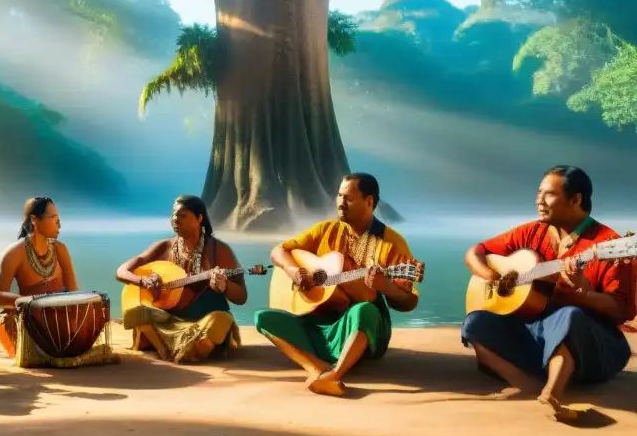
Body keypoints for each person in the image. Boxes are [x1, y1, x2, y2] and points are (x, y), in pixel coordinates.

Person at [461, 165, 636, 422]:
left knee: (569, 316)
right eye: (538, 193)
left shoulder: (608, 244)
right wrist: (493, 277)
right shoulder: (531, 232)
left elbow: (621, 310)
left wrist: (579, 293)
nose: (538, 201)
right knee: (475, 321)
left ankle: (552, 391)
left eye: (549, 194)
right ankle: (521, 382)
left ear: (575, 199)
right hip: (537, 339)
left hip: (594, 349)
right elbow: (475, 252)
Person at [253, 173, 420, 396]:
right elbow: (278, 251)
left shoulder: (391, 243)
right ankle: (315, 368)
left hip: (362, 330)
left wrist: (385, 286)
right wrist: (294, 271)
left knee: (364, 310)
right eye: (339, 196)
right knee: (262, 318)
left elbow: (408, 301)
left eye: (349, 199)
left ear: (369, 202)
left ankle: (334, 376)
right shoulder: (326, 230)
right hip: (317, 321)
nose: (341, 203)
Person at [116, 195, 246, 363]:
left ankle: (183, 346)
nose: (175, 219)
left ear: (199, 218)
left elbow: (241, 296)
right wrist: (143, 281)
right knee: (136, 309)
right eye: (174, 215)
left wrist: (225, 286)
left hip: (203, 322)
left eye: (182, 215)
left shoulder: (218, 250)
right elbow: (122, 271)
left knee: (220, 320)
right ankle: (183, 348)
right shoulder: (164, 247)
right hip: (169, 323)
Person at [0, 196, 80, 357]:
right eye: (54, 218)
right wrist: (31, 302)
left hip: (59, 319)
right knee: (6, 319)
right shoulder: (14, 253)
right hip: (31, 321)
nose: (59, 224)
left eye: (59, 219)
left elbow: (74, 294)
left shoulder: (61, 250)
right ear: (34, 220)